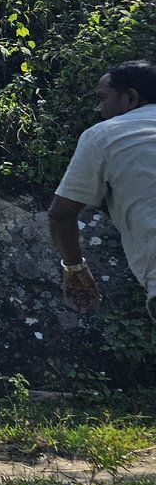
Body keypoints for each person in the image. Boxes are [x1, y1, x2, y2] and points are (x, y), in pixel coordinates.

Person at [49, 60, 156, 317]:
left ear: (130, 98)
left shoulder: (106, 134)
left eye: (103, 98)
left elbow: (61, 214)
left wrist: (74, 268)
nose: (99, 108)